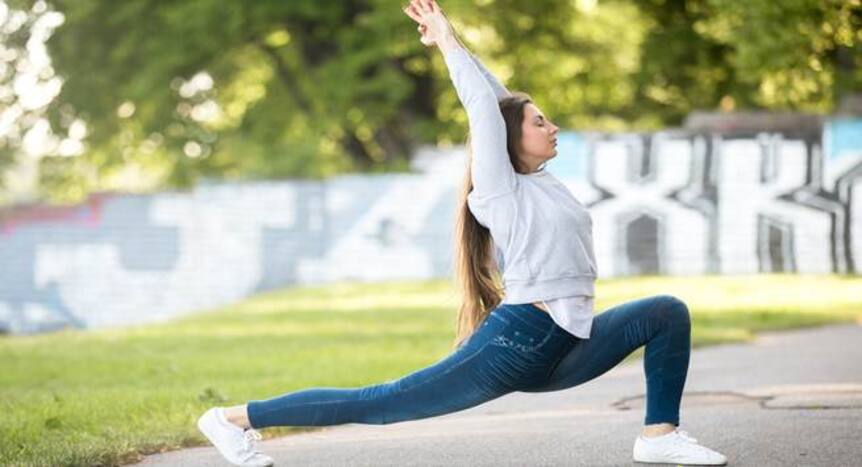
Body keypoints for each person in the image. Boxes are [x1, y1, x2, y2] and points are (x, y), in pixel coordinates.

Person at [196, 1, 728, 465]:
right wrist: (447, 43)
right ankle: (232, 419)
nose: (553, 127)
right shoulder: (499, 190)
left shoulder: (540, 181)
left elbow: (497, 99)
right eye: (541, 122)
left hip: (568, 343)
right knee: (383, 401)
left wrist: (453, 43)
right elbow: (484, 109)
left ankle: (660, 436)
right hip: (518, 343)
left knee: (665, 312)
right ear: (510, 139)